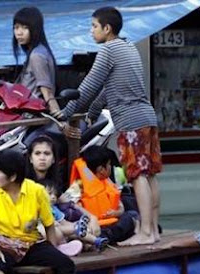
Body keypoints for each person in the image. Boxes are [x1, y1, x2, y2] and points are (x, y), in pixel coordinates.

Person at [53, 6, 161, 246]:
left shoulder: (108, 50)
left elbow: (89, 86)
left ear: (107, 28)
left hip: (130, 120)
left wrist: (65, 113)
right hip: (147, 116)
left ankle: (144, 232)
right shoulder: (128, 46)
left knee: (137, 175)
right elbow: (107, 86)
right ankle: (153, 230)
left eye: (93, 26)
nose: (91, 31)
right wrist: (92, 111)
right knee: (150, 175)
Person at [66, 145, 137, 246]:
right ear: (101, 169)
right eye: (109, 164)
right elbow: (68, 204)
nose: (110, 167)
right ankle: (100, 238)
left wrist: (117, 212)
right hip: (94, 227)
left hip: (113, 223)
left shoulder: (108, 181)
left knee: (132, 214)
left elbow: (121, 206)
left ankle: (105, 238)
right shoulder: (80, 184)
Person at [39, 178, 109, 252]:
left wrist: (74, 224)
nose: (53, 197)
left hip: (63, 232)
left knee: (79, 232)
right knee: (65, 230)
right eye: (49, 193)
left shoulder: (54, 209)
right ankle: (75, 231)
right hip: (51, 233)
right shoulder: (37, 207)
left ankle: (96, 241)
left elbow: (64, 222)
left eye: (55, 195)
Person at [13, 6, 59, 114]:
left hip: (31, 117)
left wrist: (59, 118)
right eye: (16, 27)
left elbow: (47, 92)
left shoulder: (36, 56)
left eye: (24, 28)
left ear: (35, 29)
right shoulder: (39, 51)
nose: (19, 32)